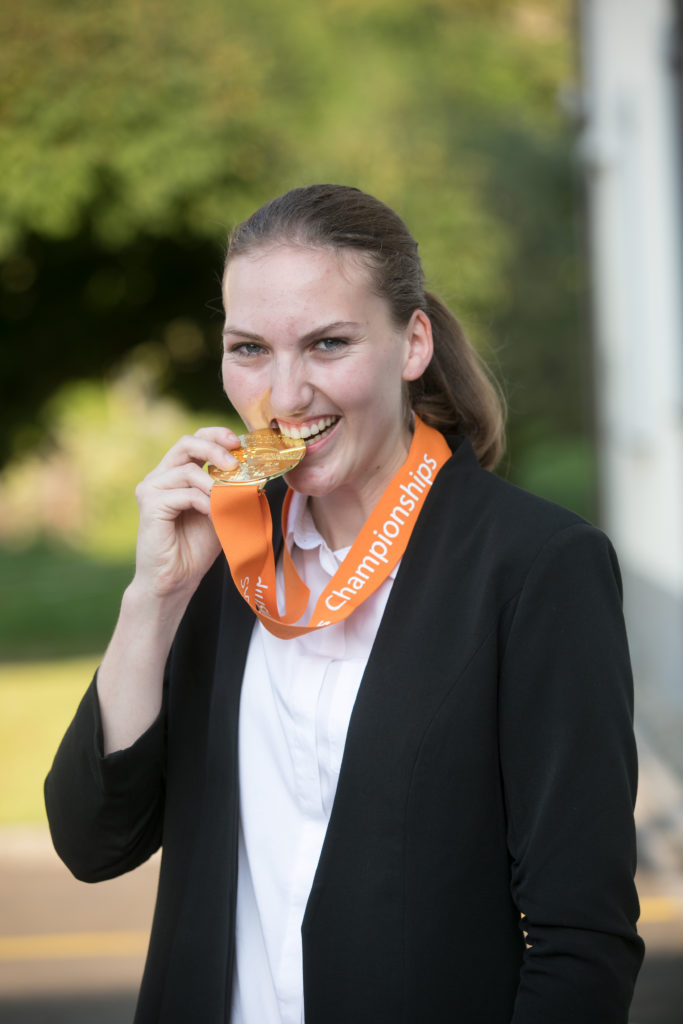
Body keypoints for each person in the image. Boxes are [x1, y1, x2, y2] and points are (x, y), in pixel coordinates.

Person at [45, 184, 644, 1023]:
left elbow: (582, 938)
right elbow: (91, 841)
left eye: (327, 344)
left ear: (412, 344)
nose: (284, 396)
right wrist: (155, 596)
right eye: (249, 348)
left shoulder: (535, 566)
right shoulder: (219, 561)